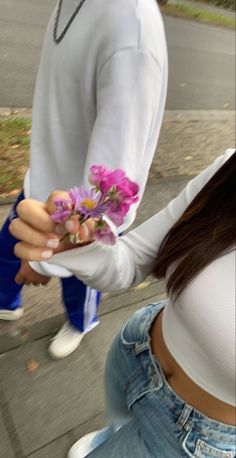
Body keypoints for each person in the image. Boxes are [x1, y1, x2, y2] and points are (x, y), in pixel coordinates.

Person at [10, 149, 236, 457]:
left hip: (191, 441)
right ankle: (113, 433)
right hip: (137, 347)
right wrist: (77, 247)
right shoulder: (229, 169)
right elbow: (132, 261)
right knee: (116, 421)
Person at [0, 0, 168, 359]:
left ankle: (80, 321)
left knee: (81, 281)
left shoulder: (132, 30)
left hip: (78, 215)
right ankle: (6, 300)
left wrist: (43, 255)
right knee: (5, 254)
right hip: (41, 178)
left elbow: (112, 184)